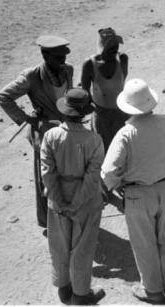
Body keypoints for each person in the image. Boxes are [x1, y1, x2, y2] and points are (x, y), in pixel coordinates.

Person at [100, 78, 165, 303]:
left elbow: (107, 172)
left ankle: (153, 291)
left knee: (144, 244)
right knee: (161, 239)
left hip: (138, 195)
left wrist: (117, 186)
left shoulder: (126, 133)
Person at [0, 35, 74, 236]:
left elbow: (69, 96)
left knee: (67, 174)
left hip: (66, 130)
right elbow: (4, 97)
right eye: (58, 57)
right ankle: (50, 222)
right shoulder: (31, 76)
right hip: (44, 133)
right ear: (45, 56)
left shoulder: (68, 70)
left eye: (64, 57)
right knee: (45, 179)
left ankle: (67, 214)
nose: (63, 61)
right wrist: (26, 120)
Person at [40, 88, 106, 305]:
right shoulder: (94, 139)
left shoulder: (50, 136)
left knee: (59, 245)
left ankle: (63, 288)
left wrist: (59, 201)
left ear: (65, 111)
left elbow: (47, 173)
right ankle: (81, 294)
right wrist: (76, 203)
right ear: (84, 114)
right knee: (83, 248)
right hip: (85, 201)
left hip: (57, 201)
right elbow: (92, 177)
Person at [80, 27, 129, 152]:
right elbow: (85, 93)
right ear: (102, 47)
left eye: (116, 46)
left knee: (122, 150)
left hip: (120, 114)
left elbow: (121, 85)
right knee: (103, 151)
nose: (115, 50)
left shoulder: (123, 59)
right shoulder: (89, 65)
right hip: (101, 117)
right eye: (110, 47)